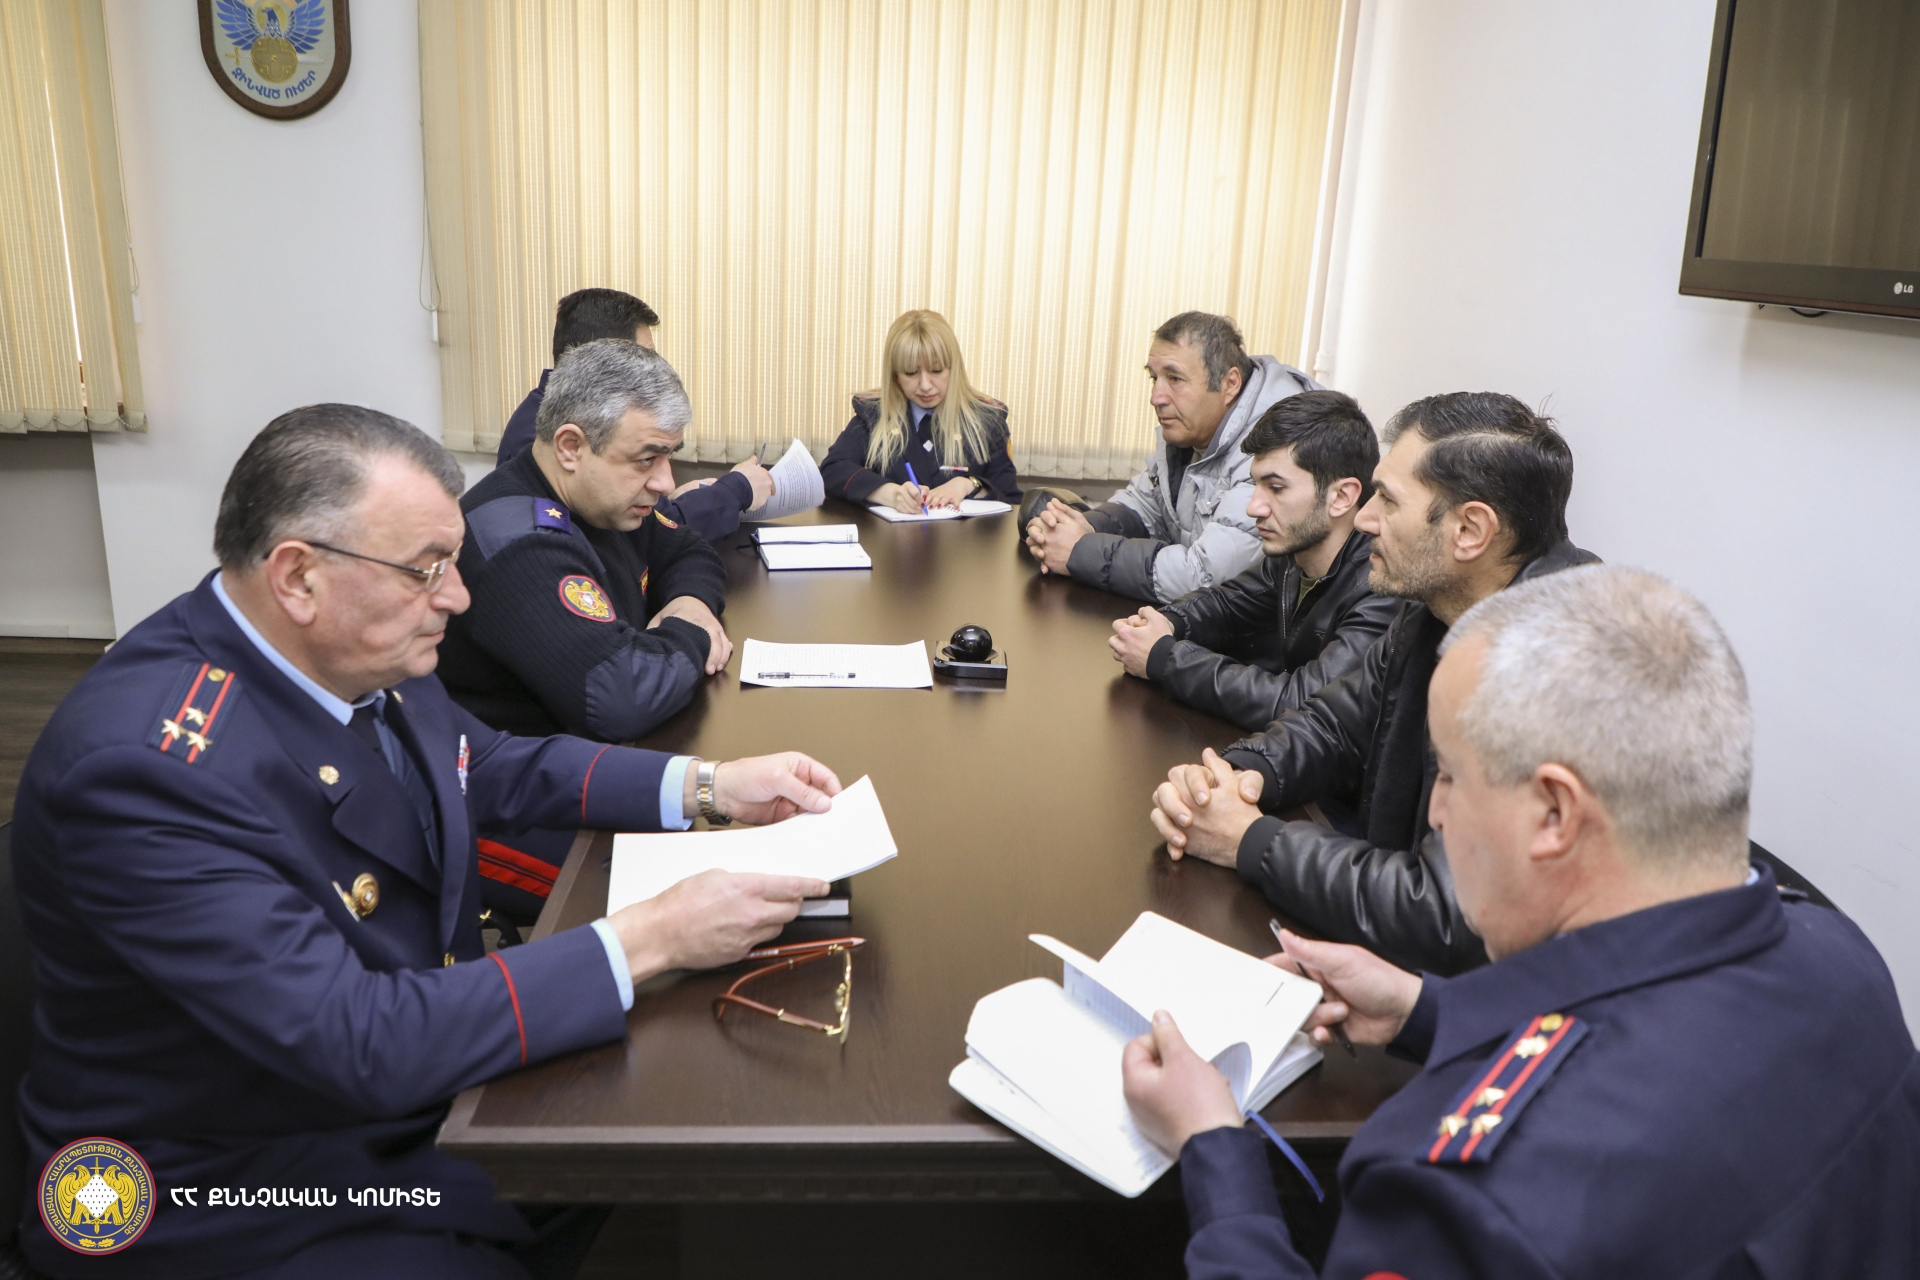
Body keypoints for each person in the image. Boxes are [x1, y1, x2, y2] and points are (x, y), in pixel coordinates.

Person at [11, 404, 845, 1277]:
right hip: (226, 1188)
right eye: (426, 569)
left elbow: (490, 764)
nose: (457, 596)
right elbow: (355, 1037)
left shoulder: (352, 649)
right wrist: (656, 935)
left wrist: (711, 786)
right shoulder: (148, 771)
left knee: (658, 1124)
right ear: (298, 576)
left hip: (381, 1101)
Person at [1122, 567, 1920, 1280]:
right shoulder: (1844, 961)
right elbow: (1647, 1026)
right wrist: (1423, 1011)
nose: (1436, 810)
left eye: (1450, 776)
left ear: (1554, 813)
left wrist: (1212, 1148)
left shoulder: (1470, 1197)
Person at [1149, 393, 1598, 975]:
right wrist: (1232, 777)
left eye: (1387, 499)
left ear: (1469, 530)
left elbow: (1443, 912)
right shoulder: (1438, 599)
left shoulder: (1554, 667)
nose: (1363, 519)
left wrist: (1249, 840)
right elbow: (1335, 724)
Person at [442, 341, 737, 916]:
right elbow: (623, 693)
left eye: (669, 456)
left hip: (583, 763)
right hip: (508, 800)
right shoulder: (519, 542)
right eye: (647, 459)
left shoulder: (606, 500)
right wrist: (696, 634)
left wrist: (690, 603)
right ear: (572, 447)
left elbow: (689, 549)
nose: (665, 482)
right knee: (698, 901)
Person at [1108, 392, 1397, 771]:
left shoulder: (1382, 587)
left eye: (1276, 488)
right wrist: (1166, 623)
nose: (1253, 507)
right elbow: (1226, 603)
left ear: (1342, 497)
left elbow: (1304, 704)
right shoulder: (1293, 552)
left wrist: (1165, 657)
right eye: (1255, 485)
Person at [1023, 312, 1318, 603]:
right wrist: (1078, 528)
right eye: (1155, 378)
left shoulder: (1277, 445)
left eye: (1175, 378)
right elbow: (1144, 505)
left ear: (1230, 384)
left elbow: (1202, 576)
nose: (1156, 397)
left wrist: (1080, 551)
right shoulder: (1191, 431)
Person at [494, 287, 776, 543]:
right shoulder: (539, 438)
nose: (654, 368)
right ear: (602, 358)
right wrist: (737, 490)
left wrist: (671, 499)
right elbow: (657, 536)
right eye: (643, 356)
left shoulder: (566, 410)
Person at [820, 310, 1021, 512]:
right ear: (895, 376)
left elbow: (1010, 499)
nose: (925, 385)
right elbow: (832, 471)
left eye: (936, 370)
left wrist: (970, 484)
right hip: (891, 532)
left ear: (954, 368)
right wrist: (889, 493)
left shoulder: (987, 420)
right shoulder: (874, 415)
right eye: (911, 373)